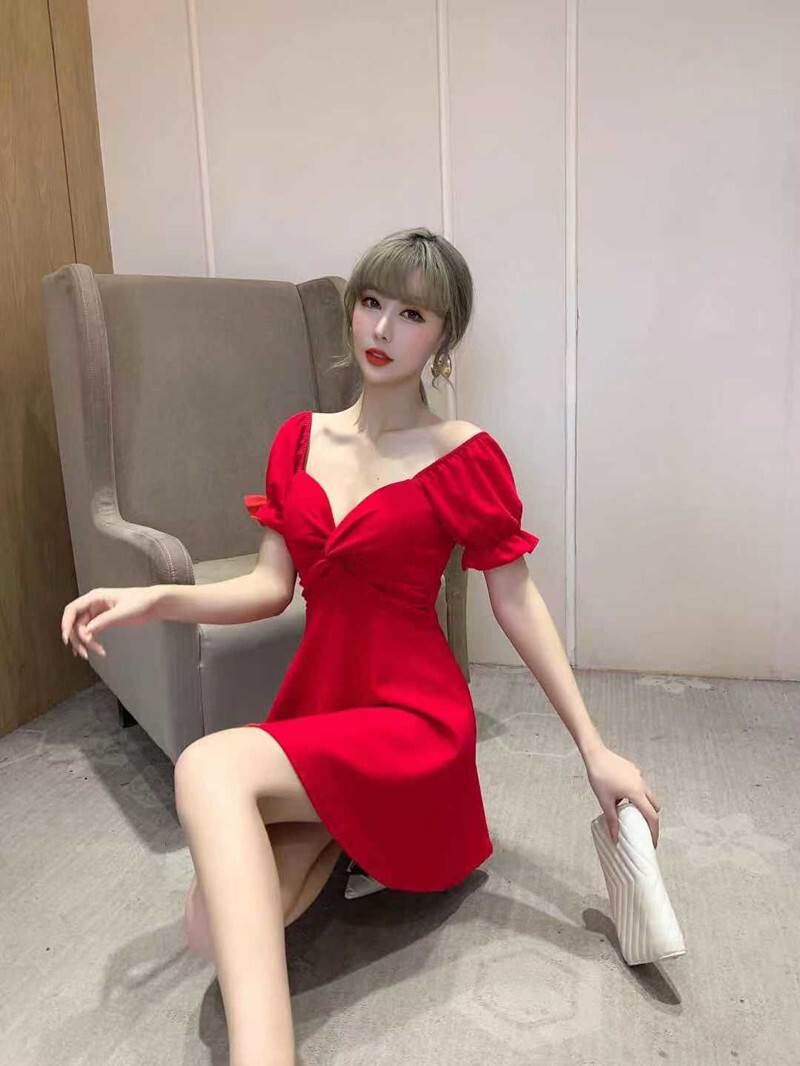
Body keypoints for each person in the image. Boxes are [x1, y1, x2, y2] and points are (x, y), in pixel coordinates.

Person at [60, 226, 661, 1066]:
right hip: (323, 704)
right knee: (209, 925)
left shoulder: (465, 456)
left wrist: (593, 748)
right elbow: (269, 588)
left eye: (412, 314)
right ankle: (343, 833)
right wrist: (157, 596)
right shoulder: (299, 440)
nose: (382, 329)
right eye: (371, 303)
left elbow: (517, 602)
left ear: (443, 336)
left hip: (414, 721)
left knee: (209, 767)